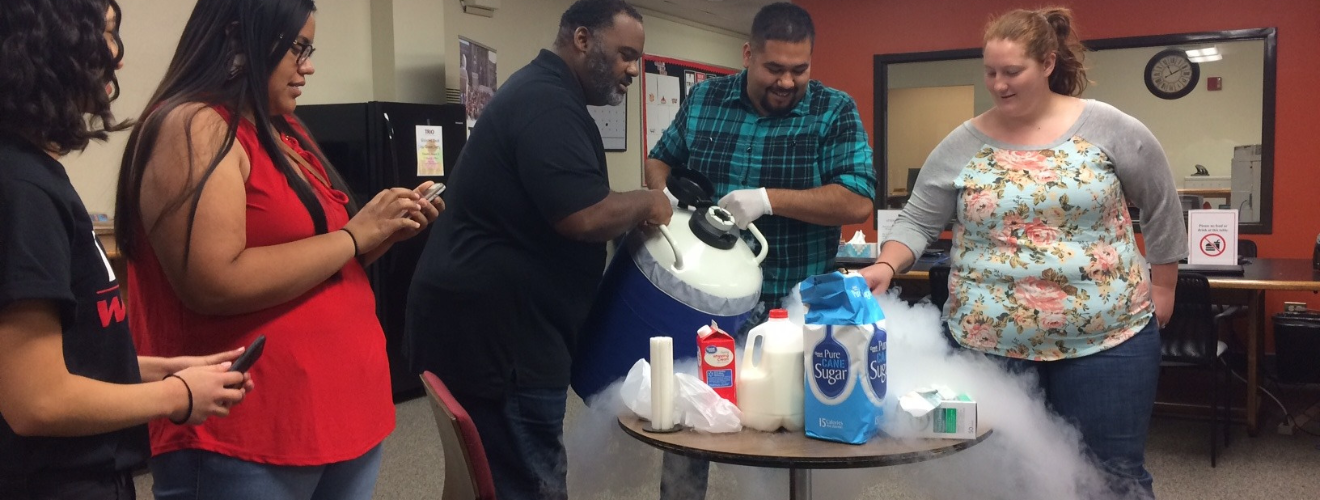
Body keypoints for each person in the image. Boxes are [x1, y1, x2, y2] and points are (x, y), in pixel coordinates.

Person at [113, 0, 443, 498]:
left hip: (343, 414)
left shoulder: (283, 128)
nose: (308, 66)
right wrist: (353, 236)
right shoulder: (193, 126)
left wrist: (378, 235)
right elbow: (215, 282)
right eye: (297, 49)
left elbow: (316, 258)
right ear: (236, 40)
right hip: (248, 429)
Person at [859, 7, 1185, 497]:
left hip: (1108, 342)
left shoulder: (1109, 127)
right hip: (988, 343)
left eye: (1013, 72)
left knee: (1113, 478)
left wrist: (1164, 284)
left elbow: (1161, 202)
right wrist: (887, 264)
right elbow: (919, 219)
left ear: (1048, 63)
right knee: (996, 480)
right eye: (990, 72)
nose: (999, 84)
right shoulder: (961, 143)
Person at [404, 1, 669, 498]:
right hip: (503, 345)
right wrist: (647, 202)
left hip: (496, 330)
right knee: (527, 479)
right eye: (626, 55)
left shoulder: (547, 94)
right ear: (583, 39)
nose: (633, 69)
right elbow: (583, 214)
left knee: (489, 479)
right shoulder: (546, 103)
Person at [0, 1, 252, 498]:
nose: (117, 56)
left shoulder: (33, 173)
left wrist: (168, 369)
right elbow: (37, 401)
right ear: (51, 44)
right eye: (108, 34)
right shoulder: (21, 188)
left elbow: (69, 359)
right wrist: (176, 396)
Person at [644, 3, 875, 498]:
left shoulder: (834, 110)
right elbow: (659, 160)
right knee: (690, 433)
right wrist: (667, 202)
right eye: (774, 68)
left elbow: (857, 199)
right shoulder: (706, 99)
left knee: (791, 438)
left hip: (792, 310)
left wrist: (769, 200)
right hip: (707, 303)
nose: (788, 82)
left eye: (800, 69)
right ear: (748, 54)